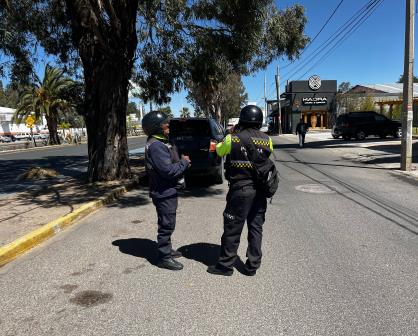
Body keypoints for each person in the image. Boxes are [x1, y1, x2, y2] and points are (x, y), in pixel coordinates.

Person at [207, 105, 274, 277]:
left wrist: (225, 138)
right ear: (259, 121)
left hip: (240, 190)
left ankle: (225, 266)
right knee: (256, 227)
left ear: (242, 120)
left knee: (232, 227)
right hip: (260, 190)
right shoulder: (267, 139)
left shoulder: (233, 139)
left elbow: (219, 151)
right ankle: (252, 266)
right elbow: (267, 155)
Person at [142, 111, 191, 271]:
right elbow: (168, 170)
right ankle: (164, 257)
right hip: (163, 192)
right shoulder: (156, 145)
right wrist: (183, 163)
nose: (168, 125)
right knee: (166, 224)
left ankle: (167, 248)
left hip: (166, 190)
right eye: (165, 123)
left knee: (168, 222)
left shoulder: (161, 142)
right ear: (156, 127)